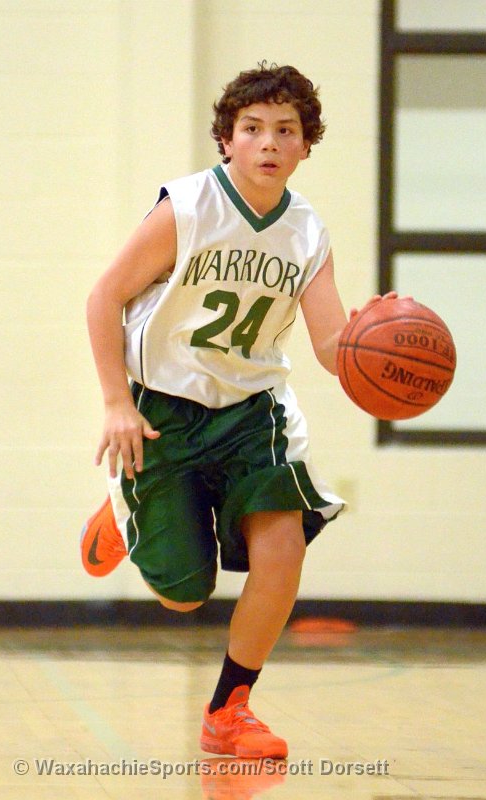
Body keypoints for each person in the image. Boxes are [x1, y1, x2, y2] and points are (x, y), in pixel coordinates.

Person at [81, 62, 396, 759]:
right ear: (227, 139)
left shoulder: (306, 231)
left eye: (285, 130)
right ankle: (125, 509)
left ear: (305, 145)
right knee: (184, 596)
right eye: (252, 128)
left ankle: (229, 710)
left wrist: (372, 342)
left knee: (283, 546)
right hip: (163, 409)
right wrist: (114, 402)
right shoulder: (189, 206)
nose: (269, 142)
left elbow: (329, 347)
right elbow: (103, 297)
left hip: (253, 412)